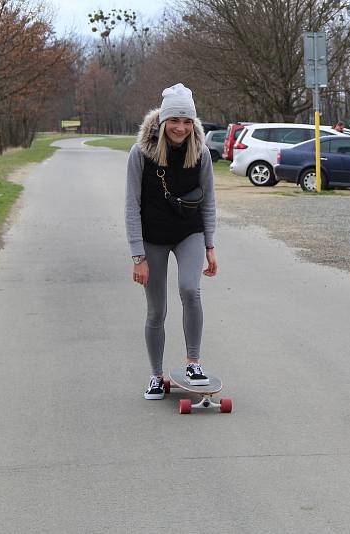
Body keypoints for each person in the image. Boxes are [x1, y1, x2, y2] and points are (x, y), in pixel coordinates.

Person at [125, 83, 218, 400]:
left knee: (191, 290)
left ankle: (193, 362)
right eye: (175, 120)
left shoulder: (201, 152)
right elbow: (131, 206)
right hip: (152, 238)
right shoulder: (141, 154)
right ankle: (156, 375)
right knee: (156, 310)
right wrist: (138, 256)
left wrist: (210, 246)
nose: (181, 127)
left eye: (187, 120)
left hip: (188, 233)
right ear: (163, 121)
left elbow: (209, 202)